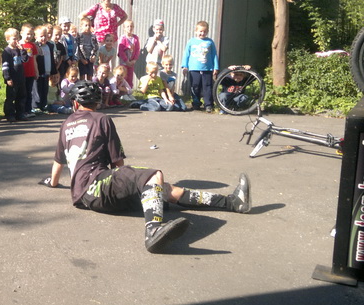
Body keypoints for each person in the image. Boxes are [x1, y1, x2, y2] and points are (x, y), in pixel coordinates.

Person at [41, 80, 252, 253]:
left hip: (83, 195)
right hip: (98, 185)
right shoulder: (101, 119)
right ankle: (153, 230)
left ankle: (233, 202)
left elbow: (58, 162)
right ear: (97, 103)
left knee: (160, 190)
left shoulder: (66, 124)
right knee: (152, 176)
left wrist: (52, 183)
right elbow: (117, 163)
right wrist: (130, 180)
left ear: (75, 104)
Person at [181, 20, 219, 112]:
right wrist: (184, 66)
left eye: (204, 31)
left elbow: (214, 55)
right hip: (194, 69)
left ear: (207, 32)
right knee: (195, 87)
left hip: (207, 69)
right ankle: (196, 103)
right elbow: (186, 54)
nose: (202, 33)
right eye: (200, 31)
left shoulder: (210, 42)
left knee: (207, 87)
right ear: (196, 31)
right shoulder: (191, 42)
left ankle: (208, 104)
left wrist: (216, 67)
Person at [1, 28, 28, 122]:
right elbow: (5, 66)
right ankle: (10, 114)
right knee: (11, 97)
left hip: (20, 77)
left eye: (17, 38)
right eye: (14, 38)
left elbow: (25, 60)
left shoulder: (19, 50)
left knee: (21, 96)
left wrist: (23, 51)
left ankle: (20, 113)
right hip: (12, 79)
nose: (16, 40)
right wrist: (7, 78)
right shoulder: (7, 51)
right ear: (7, 39)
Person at [34, 25, 54, 113]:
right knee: (37, 89)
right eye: (41, 36)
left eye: (45, 36)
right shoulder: (35, 46)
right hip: (39, 71)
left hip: (47, 71)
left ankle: (43, 105)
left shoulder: (49, 45)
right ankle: (36, 106)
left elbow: (52, 59)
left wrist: (53, 71)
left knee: (45, 89)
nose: (43, 38)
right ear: (36, 37)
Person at [20, 24, 39, 118]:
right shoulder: (19, 45)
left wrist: (36, 71)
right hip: (21, 73)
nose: (29, 36)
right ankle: (21, 110)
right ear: (21, 33)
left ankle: (28, 110)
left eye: (31, 34)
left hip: (30, 72)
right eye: (27, 34)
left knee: (29, 91)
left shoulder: (32, 45)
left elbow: (34, 59)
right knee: (22, 92)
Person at [117, 19, 140, 89]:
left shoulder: (135, 38)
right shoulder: (123, 38)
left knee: (130, 77)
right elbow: (121, 51)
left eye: (131, 26)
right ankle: (121, 90)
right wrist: (126, 61)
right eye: (128, 26)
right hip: (124, 62)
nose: (130, 28)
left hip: (131, 62)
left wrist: (134, 60)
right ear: (124, 28)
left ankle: (129, 90)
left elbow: (137, 50)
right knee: (123, 76)